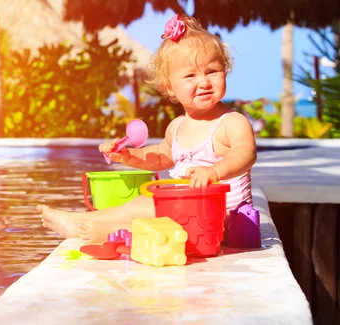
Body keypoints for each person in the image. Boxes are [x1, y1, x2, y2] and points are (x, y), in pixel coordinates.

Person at [37, 14, 257, 244]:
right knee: (141, 205)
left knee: (152, 207)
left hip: (225, 218)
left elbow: (246, 153)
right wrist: (127, 155)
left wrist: (215, 171)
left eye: (212, 71)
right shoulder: (177, 127)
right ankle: (88, 224)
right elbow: (161, 157)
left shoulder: (231, 122)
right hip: (187, 212)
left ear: (225, 70)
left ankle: (103, 231)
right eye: (191, 75)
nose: (204, 82)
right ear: (170, 87)